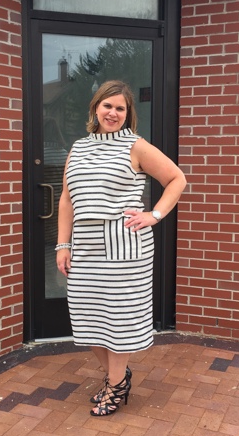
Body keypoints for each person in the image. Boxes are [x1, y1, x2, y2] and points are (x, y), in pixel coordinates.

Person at [56, 80, 186, 416]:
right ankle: (119, 376)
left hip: (125, 246)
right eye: (107, 106)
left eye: (120, 108)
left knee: (119, 320)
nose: (113, 113)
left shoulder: (136, 146)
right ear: (95, 108)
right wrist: (62, 244)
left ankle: (115, 385)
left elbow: (177, 179)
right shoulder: (78, 148)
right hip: (84, 246)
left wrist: (154, 215)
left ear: (128, 114)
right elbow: (67, 199)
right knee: (86, 317)